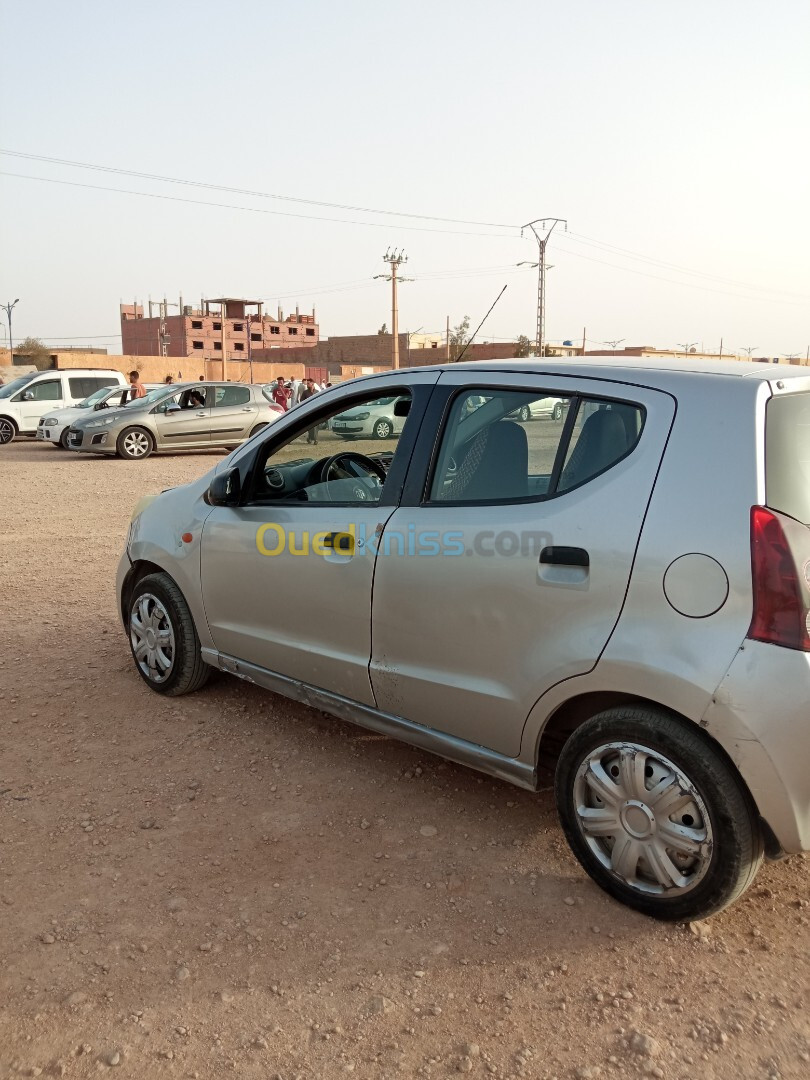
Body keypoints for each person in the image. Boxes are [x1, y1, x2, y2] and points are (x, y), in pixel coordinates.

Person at [299, 378, 320, 444]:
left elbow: (320, 400)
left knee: (316, 426)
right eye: (307, 383)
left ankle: (316, 439)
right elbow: (301, 401)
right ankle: (310, 438)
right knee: (310, 427)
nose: (307, 384)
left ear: (312, 383)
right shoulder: (305, 392)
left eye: (308, 383)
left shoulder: (317, 392)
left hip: (315, 411)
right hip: (308, 412)